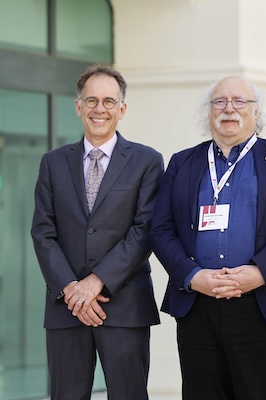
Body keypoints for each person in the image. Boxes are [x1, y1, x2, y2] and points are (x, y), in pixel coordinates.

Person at [150, 76, 266, 400]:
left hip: (263, 305)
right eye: (220, 101)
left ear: (256, 111)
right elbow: (160, 229)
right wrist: (192, 275)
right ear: (209, 111)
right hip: (198, 308)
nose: (229, 108)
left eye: (239, 101)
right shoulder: (182, 163)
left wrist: (260, 272)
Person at [31, 64, 163, 399]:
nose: (99, 109)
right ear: (78, 106)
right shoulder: (52, 162)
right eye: (91, 100)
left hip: (125, 305)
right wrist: (72, 290)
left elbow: (144, 229)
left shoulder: (147, 161)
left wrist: (96, 281)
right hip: (66, 307)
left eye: (108, 101)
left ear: (122, 109)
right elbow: (43, 232)